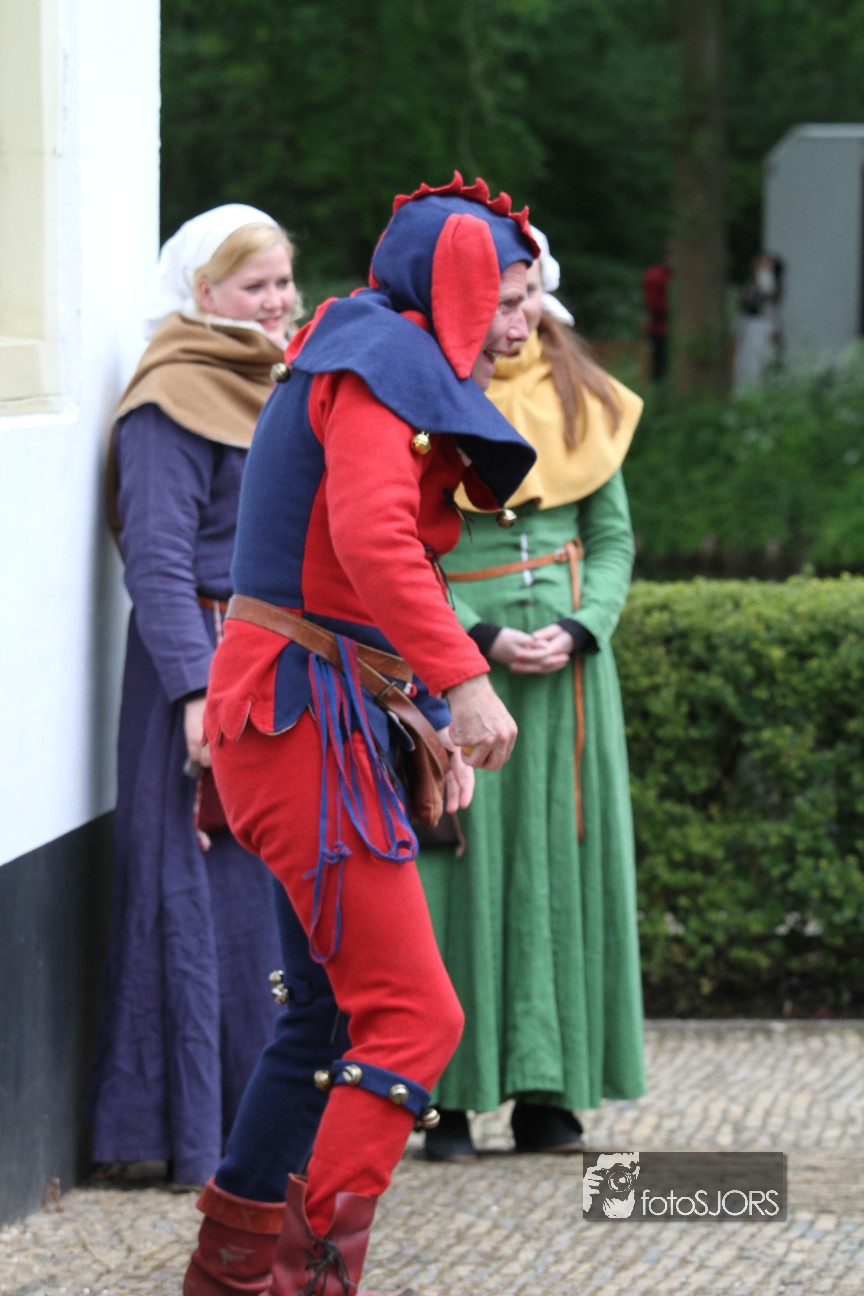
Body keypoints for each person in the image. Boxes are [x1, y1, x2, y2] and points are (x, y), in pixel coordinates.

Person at [182, 174, 538, 1296]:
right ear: (456, 287)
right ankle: (312, 1283)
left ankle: (230, 1279)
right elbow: (376, 540)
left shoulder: (367, 352)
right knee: (414, 1015)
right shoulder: (374, 361)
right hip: (297, 720)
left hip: (313, 711)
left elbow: (359, 571)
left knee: (329, 1018)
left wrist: (426, 710)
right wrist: (464, 685)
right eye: (510, 298)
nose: (523, 323)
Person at [418, 227, 646, 1162]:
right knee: (462, 874)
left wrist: (586, 624)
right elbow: (406, 547)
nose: (519, 319)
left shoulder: (585, 394)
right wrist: (476, 639)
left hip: (571, 688)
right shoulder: (432, 395)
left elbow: (614, 537)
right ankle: (451, 1101)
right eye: (503, 303)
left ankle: (550, 1095)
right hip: (463, 676)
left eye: (527, 300)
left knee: (561, 870)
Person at [89, 204, 303, 1190]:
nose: (278, 300)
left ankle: (264, 1131)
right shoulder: (167, 397)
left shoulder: (279, 383)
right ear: (201, 292)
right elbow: (159, 563)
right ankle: (181, 1132)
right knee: (193, 897)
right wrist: (194, 692)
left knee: (263, 907)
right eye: (256, 285)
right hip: (203, 672)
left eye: (284, 281)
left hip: (272, 668)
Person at [732, 252, 783, 393]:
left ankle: (756, 391)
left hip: (761, 325)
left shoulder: (767, 280)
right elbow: (743, 308)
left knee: (757, 360)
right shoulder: (752, 282)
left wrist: (774, 328)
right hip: (750, 325)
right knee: (746, 360)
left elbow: (770, 307)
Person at [642, 244, 674, 381]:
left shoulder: (678, 276)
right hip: (660, 328)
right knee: (660, 368)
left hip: (676, 329)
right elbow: (654, 305)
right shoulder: (656, 276)